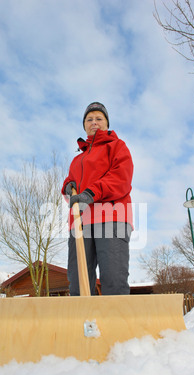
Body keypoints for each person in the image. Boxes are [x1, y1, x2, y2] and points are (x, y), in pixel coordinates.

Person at [61, 102, 134, 296]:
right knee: (78, 282)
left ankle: (116, 325)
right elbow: (71, 182)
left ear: (106, 123)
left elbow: (121, 178)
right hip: (80, 222)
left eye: (99, 118)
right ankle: (84, 324)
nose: (94, 122)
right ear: (84, 125)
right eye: (89, 119)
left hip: (112, 216)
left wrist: (91, 193)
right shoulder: (77, 159)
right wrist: (67, 187)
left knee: (113, 278)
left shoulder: (117, 147)